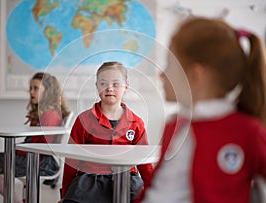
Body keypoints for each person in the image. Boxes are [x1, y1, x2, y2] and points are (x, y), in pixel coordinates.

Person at [135, 17, 266, 203]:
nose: (161, 74)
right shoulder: (175, 125)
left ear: (196, 76)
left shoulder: (247, 131)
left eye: (169, 65)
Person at [60, 61, 153, 203]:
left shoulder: (136, 122)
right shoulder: (84, 120)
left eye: (116, 84)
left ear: (126, 86)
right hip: (90, 179)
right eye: (103, 83)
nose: (109, 88)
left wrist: (152, 191)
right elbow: (71, 161)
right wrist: (65, 193)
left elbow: (144, 162)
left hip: (127, 179)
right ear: (97, 86)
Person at [0, 72, 71, 203]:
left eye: (36, 88)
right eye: (30, 88)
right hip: (28, 154)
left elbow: (39, 145)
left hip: (38, 159)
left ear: (48, 91)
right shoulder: (41, 113)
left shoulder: (50, 115)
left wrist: (15, 148)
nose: (31, 92)